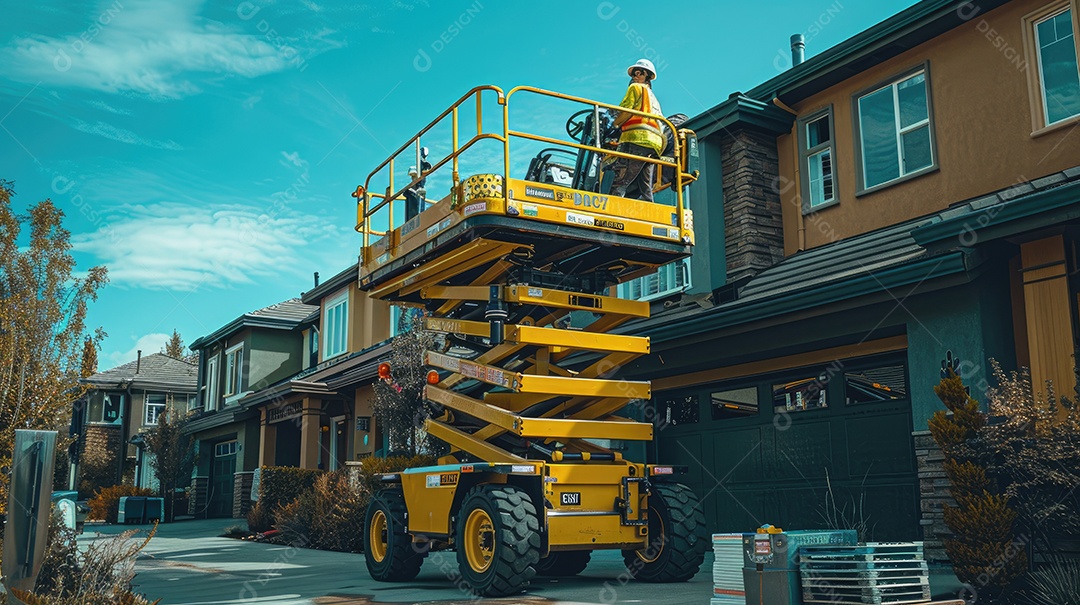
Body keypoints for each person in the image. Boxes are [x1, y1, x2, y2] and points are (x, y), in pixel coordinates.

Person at [610, 59, 664, 202]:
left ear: (646, 76)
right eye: (634, 74)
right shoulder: (653, 98)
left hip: (637, 138)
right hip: (654, 143)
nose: (635, 76)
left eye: (639, 73)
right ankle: (650, 211)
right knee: (645, 185)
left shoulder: (635, 88)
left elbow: (626, 111)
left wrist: (614, 125)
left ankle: (612, 207)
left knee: (621, 179)